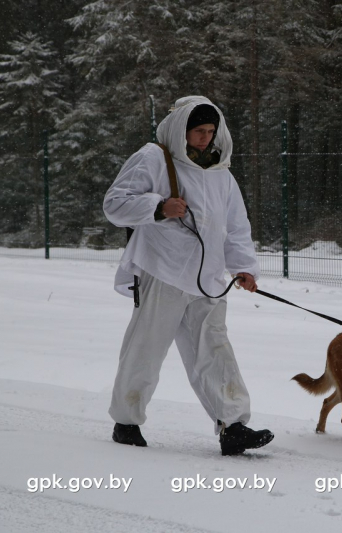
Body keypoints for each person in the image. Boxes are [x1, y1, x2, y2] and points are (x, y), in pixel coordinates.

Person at [103, 95, 273, 456]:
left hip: (207, 279)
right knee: (146, 348)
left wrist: (243, 267)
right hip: (162, 270)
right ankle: (127, 421)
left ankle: (233, 426)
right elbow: (115, 204)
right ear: (182, 129)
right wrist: (158, 207)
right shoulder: (154, 158)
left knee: (215, 350)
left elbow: (236, 227)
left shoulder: (221, 174)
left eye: (211, 131)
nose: (205, 139)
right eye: (198, 131)